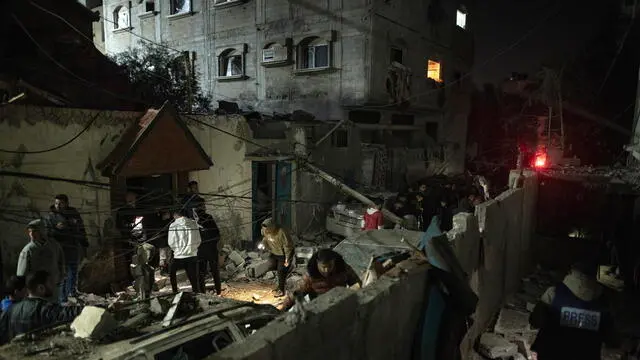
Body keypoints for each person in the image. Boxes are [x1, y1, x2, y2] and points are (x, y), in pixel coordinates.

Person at [529, 262, 617, 360]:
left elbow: (535, 321)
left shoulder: (554, 293)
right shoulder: (604, 304)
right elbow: (612, 341)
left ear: (572, 271)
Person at [0, 271, 84, 345]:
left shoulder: (10, 310)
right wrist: (88, 309)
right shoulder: (44, 309)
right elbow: (67, 313)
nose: (54, 286)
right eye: (50, 283)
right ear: (41, 288)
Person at [279, 249, 361, 311]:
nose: (326, 270)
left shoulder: (343, 269)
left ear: (334, 262)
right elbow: (295, 294)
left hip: (341, 305)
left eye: (329, 266)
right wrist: (282, 310)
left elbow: (357, 283)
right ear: (317, 262)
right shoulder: (310, 276)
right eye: (324, 267)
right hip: (320, 309)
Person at [45, 194, 88, 304]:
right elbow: (47, 233)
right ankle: (62, 299)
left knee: (73, 271)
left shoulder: (73, 213)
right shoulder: (51, 216)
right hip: (60, 249)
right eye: (56, 203)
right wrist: (57, 229)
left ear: (66, 203)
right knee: (62, 274)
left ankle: (72, 293)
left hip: (73, 246)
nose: (58, 206)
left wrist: (84, 243)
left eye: (61, 203)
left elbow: (81, 228)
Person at [16, 219, 65, 303]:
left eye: (34, 231)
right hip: (37, 290)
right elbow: (21, 273)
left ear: (42, 232)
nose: (31, 234)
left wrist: (60, 278)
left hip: (53, 287)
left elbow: (61, 262)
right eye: (29, 232)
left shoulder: (54, 245)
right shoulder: (28, 250)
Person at [168, 207, 202, 293]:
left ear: (175, 215)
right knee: (194, 278)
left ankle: (175, 291)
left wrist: (177, 250)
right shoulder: (193, 223)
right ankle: (196, 294)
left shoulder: (173, 225)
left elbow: (171, 242)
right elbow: (198, 240)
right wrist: (192, 249)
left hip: (178, 256)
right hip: (192, 255)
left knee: (172, 274)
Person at [261, 218, 295, 297]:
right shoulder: (264, 230)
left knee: (281, 271)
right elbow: (265, 238)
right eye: (264, 230)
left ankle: (281, 290)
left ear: (272, 227)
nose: (266, 232)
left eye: (268, 230)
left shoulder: (281, 232)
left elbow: (288, 246)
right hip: (274, 252)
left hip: (284, 253)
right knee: (270, 265)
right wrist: (264, 244)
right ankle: (280, 281)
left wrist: (287, 259)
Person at [195, 204, 222, 295]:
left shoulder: (193, 221)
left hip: (200, 251)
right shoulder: (208, 218)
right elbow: (217, 234)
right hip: (211, 250)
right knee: (215, 272)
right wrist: (213, 244)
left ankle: (202, 293)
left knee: (201, 274)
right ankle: (218, 291)